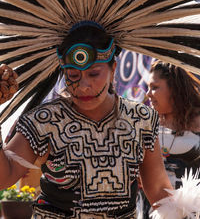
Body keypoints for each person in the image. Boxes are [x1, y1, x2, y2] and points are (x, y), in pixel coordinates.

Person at [0, 24, 173, 218]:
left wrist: (187, 212)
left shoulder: (141, 119)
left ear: (113, 68)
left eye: (93, 74)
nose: (83, 86)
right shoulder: (43, 121)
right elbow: (4, 176)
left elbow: (159, 190)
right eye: (73, 75)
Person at [147, 60, 200, 189]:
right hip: (153, 207)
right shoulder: (147, 124)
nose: (148, 94)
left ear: (174, 89)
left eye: (154, 87)